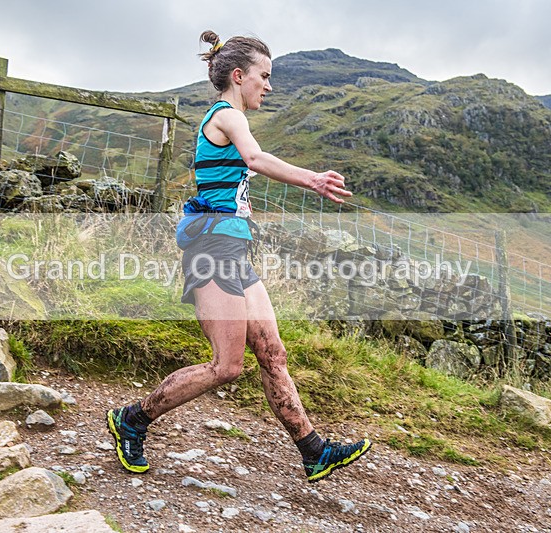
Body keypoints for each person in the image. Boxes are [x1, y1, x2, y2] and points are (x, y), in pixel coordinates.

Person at [107, 30, 370, 483]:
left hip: (232, 250)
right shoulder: (228, 116)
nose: (268, 85)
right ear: (238, 76)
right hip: (211, 250)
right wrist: (312, 179)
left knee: (271, 351)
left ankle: (314, 451)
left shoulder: (231, 117)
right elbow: (255, 159)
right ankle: (132, 419)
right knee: (226, 366)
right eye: (263, 76)